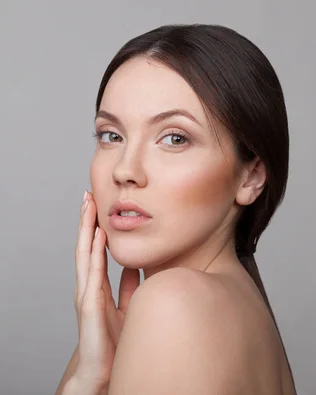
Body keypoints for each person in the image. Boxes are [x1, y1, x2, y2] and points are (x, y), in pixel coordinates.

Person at [55, 24, 297, 394]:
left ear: (250, 176)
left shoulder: (172, 306)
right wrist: (90, 374)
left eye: (174, 138)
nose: (125, 170)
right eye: (111, 135)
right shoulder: (234, 309)